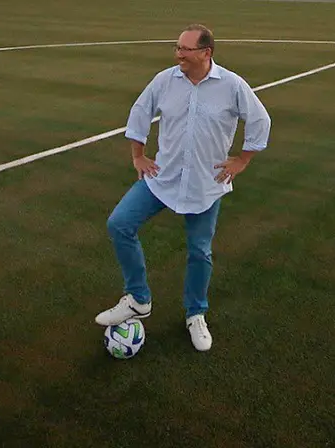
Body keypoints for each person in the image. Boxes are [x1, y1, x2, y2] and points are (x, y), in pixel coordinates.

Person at [95, 24, 272, 352]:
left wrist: (242, 161)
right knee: (120, 224)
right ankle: (138, 298)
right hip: (163, 177)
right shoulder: (165, 80)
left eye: (185, 49)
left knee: (199, 251)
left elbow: (260, 120)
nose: (178, 54)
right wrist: (138, 155)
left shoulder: (232, 85)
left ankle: (195, 314)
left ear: (206, 53)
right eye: (177, 48)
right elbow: (139, 112)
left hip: (206, 185)